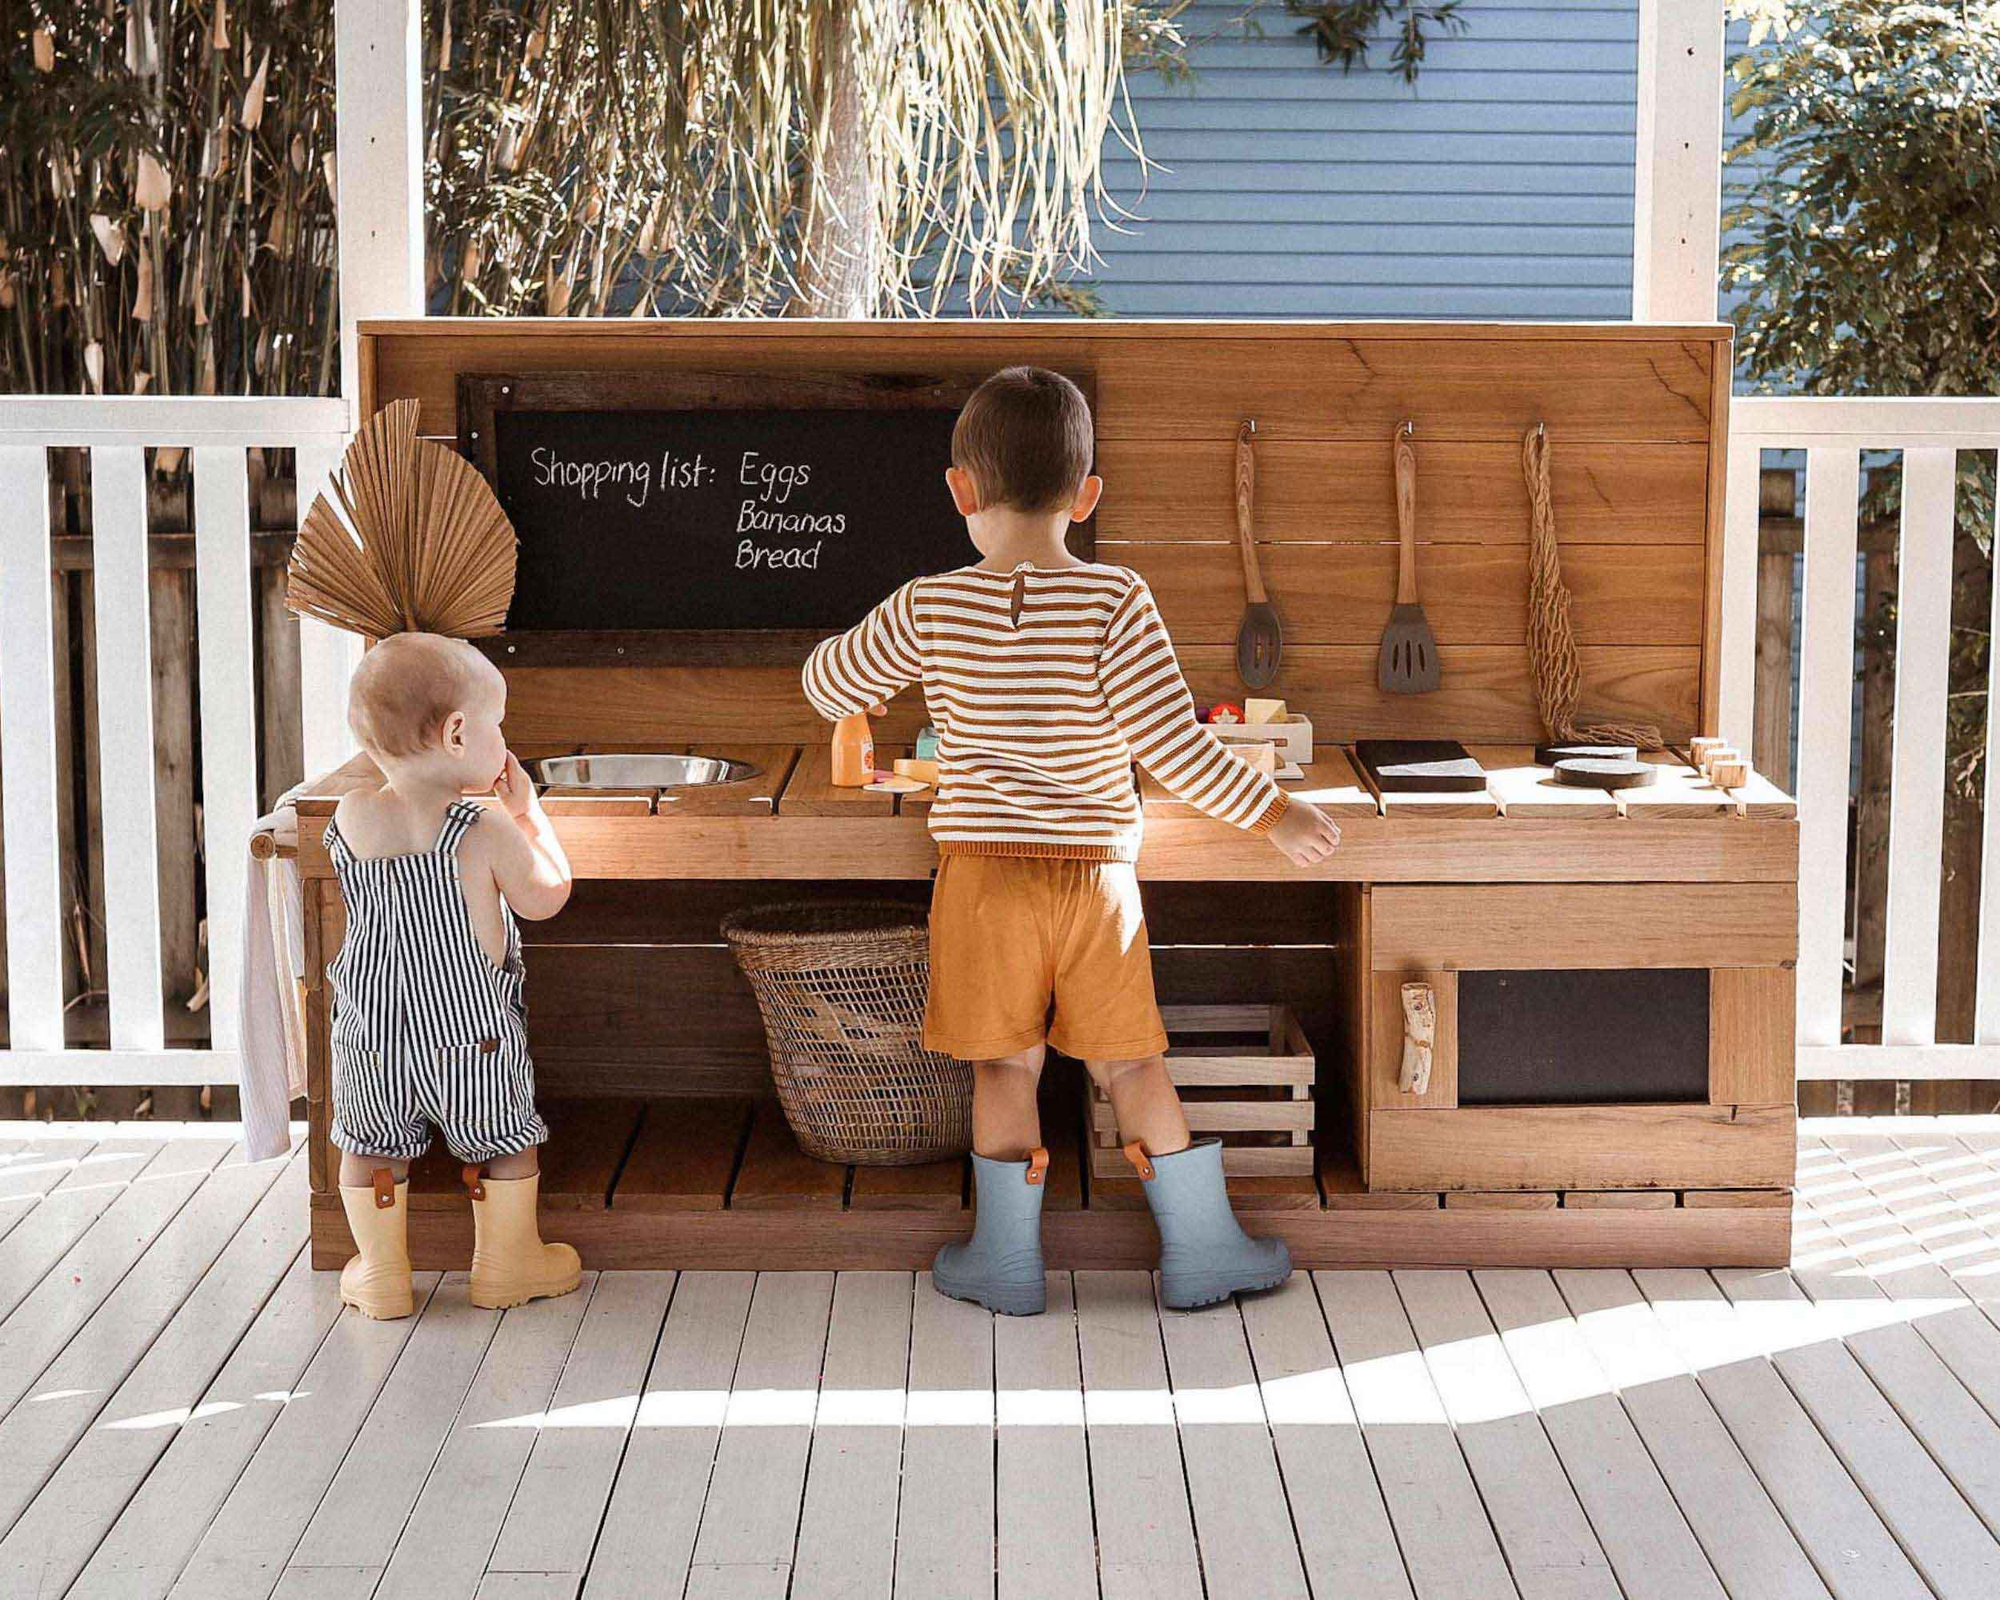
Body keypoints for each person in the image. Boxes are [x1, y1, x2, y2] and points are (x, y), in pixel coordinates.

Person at [803, 366, 1341, 1314]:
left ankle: (1007, 1264)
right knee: (1132, 1063)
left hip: (981, 881)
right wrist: (1275, 811)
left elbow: (824, 683)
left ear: (960, 491)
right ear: (1086, 497)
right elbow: (1173, 747)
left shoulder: (930, 606)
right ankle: (1202, 1250)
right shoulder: (1117, 601)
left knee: (1004, 1067)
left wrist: (870, 684)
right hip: (1098, 885)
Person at [325, 631, 580, 1319]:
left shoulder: (353, 815)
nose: (503, 742)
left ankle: (381, 1274)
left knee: (369, 1149)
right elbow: (547, 895)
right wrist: (529, 812)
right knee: (504, 1143)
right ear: (460, 733)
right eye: (498, 726)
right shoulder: (482, 826)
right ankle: (506, 1266)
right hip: (471, 1039)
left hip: (370, 1039)